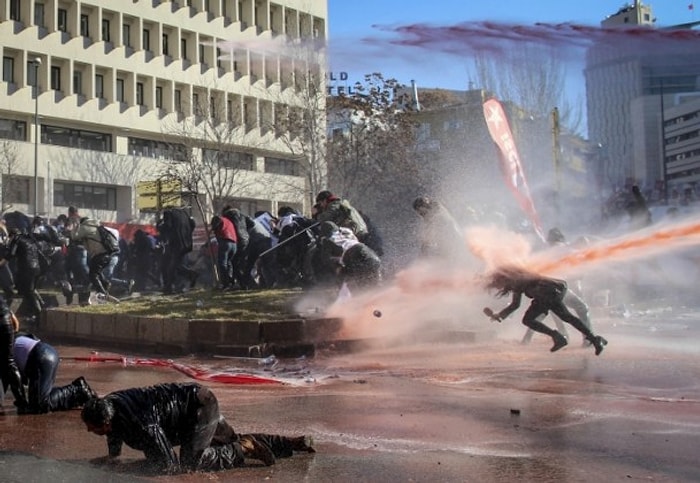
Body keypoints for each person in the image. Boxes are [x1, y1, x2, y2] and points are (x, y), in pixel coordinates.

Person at [81, 382, 316, 474]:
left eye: (94, 428)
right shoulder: (109, 404)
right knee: (224, 438)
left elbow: (168, 463)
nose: (90, 432)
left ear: (107, 421)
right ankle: (292, 443)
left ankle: (243, 449)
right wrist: (113, 457)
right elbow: (113, 433)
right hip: (192, 404)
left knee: (190, 462)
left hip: (199, 408)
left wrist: (130, 468)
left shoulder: (143, 423)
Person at [483, 265, 608, 355]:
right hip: (547, 293)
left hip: (548, 291)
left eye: (497, 282)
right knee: (566, 317)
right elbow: (515, 305)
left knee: (531, 320)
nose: (498, 286)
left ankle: (560, 337)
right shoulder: (515, 280)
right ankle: (595, 340)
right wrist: (499, 316)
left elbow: (515, 304)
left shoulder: (516, 279)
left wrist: (500, 315)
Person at [13, 332, 96, 414]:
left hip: (40, 357)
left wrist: (21, 401)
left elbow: (12, 377)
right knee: (35, 402)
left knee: (39, 404)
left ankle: (77, 389)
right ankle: (76, 397)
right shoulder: (13, 338)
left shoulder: (6, 348)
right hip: (45, 353)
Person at [317, 221, 381, 292]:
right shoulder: (347, 231)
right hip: (370, 253)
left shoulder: (328, 239)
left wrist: (337, 264)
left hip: (354, 256)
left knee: (360, 286)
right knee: (376, 286)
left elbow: (325, 259)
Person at [412, 196, 467, 262]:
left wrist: (424, 250)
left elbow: (429, 231)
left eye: (419, 210)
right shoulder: (434, 211)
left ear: (423, 206)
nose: (420, 213)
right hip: (450, 235)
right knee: (444, 255)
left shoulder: (435, 210)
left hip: (451, 235)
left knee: (447, 255)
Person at [69, 218, 113, 301]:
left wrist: (75, 228)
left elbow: (74, 237)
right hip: (107, 254)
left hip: (100, 254)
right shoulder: (96, 227)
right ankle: (105, 284)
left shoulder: (86, 227)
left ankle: (102, 293)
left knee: (93, 275)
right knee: (97, 272)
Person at [6, 228, 45, 321]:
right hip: (36, 268)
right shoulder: (30, 239)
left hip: (26, 268)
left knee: (28, 291)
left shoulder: (16, 239)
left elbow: (10, 254)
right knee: (29, 289)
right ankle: (40, 305)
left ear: (12, 235)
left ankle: (38, 313)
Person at [156, 208, 198, 294]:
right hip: (187, 243)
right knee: (177, 265)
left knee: (172, 267)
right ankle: (186, 279)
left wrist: (159, 226)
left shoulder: (168, 212)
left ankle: (169, 288)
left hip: (176, 244)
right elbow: (193, 224)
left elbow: (168, 226)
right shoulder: (184, 213)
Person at [0, 294, 27, 411]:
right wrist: (12, 332)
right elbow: (13, 318)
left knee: (7, 363)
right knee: (8, 362)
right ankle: (21, 400)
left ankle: (21, 400)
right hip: (7, 322)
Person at [210, 214, 237, 290]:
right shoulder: (228, 221)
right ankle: (231, 282)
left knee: (222, 264)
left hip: (225, 242)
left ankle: (225, 284)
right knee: (229, 263)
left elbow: (217, 222)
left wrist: (212, 229)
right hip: (234, 244)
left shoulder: (219, 219)